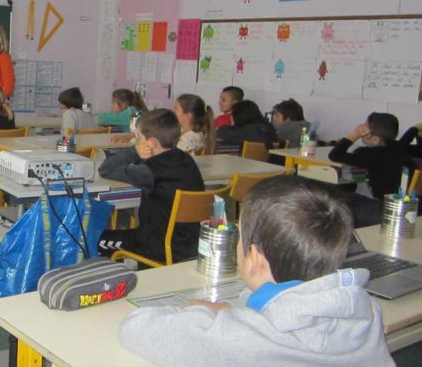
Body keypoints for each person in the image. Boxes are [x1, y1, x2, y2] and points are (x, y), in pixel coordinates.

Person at [118, 175, 393, 366]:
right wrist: (236, 310)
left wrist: (205, 313)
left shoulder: (235, 339)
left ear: (254, 258)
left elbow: (135, 327)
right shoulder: (366, 309)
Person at [96, 109, 204, 263]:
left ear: (151, 143)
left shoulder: (149, 171)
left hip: (158, 248)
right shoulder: (186, 160)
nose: (136, 141)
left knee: (92, 239)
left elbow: (106, 169)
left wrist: (134, 151)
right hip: (189, 246)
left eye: (139, 137)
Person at [329, 112, 416, 201]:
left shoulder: (369, 154)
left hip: (383, 204)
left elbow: (335, 155)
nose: (360, 131)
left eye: (363, 130)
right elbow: (408, 141)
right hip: (407, 201)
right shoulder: (399, 147)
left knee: (345, 189)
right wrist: (415, 129)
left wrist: (354, 135)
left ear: (375, 139)